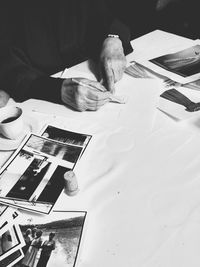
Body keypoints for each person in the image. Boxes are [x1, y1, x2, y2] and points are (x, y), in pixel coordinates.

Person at [0, 0, 133, 112]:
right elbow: (7, 66)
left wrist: (113, 39)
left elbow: (105, 16)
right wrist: (57, 90)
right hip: (39, 93)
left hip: (88, 74)